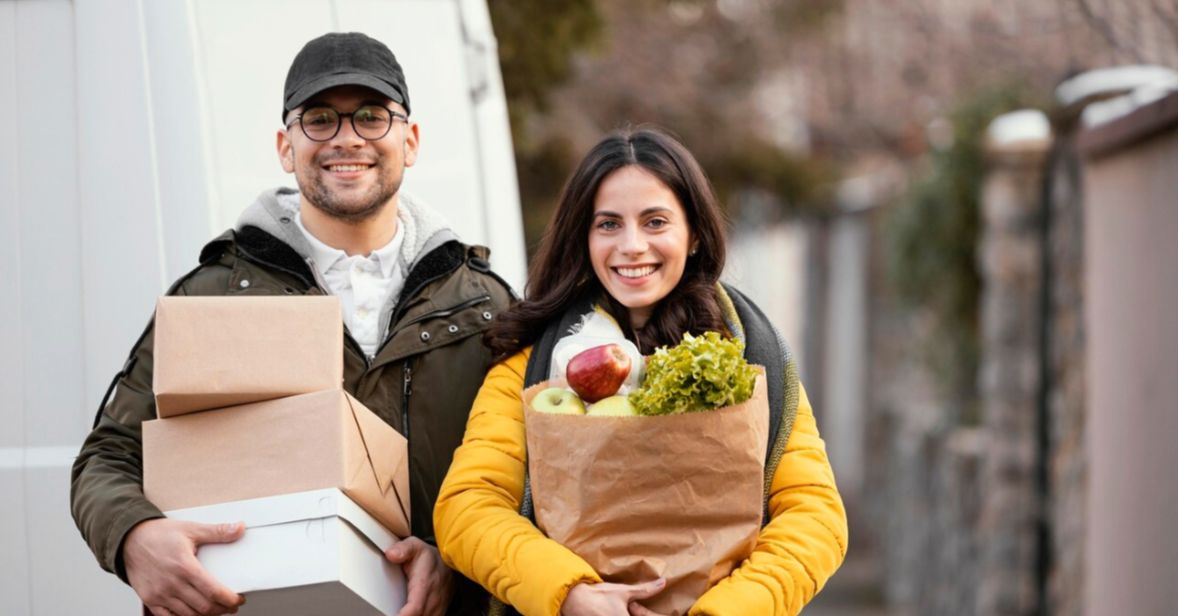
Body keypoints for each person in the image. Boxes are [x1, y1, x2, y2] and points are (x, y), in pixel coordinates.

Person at [70, 32, 514, 616]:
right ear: (286, 147)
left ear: (411, 141)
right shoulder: (213, 295)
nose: (347, 138)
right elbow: (107, 458)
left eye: (372, 117)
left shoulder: (485, 306)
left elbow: (529, 486)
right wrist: (133, 537)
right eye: (320, 119)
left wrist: (455, 562)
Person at [433, 127, 848, 616]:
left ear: (693, 234)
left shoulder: (750, 353)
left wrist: (727, 610)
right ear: (582, 238)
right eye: (608, 224)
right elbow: (468, 506)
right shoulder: (534, 363)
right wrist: (569, 594)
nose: (631, 245)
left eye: (655, 222)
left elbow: (815, 515)